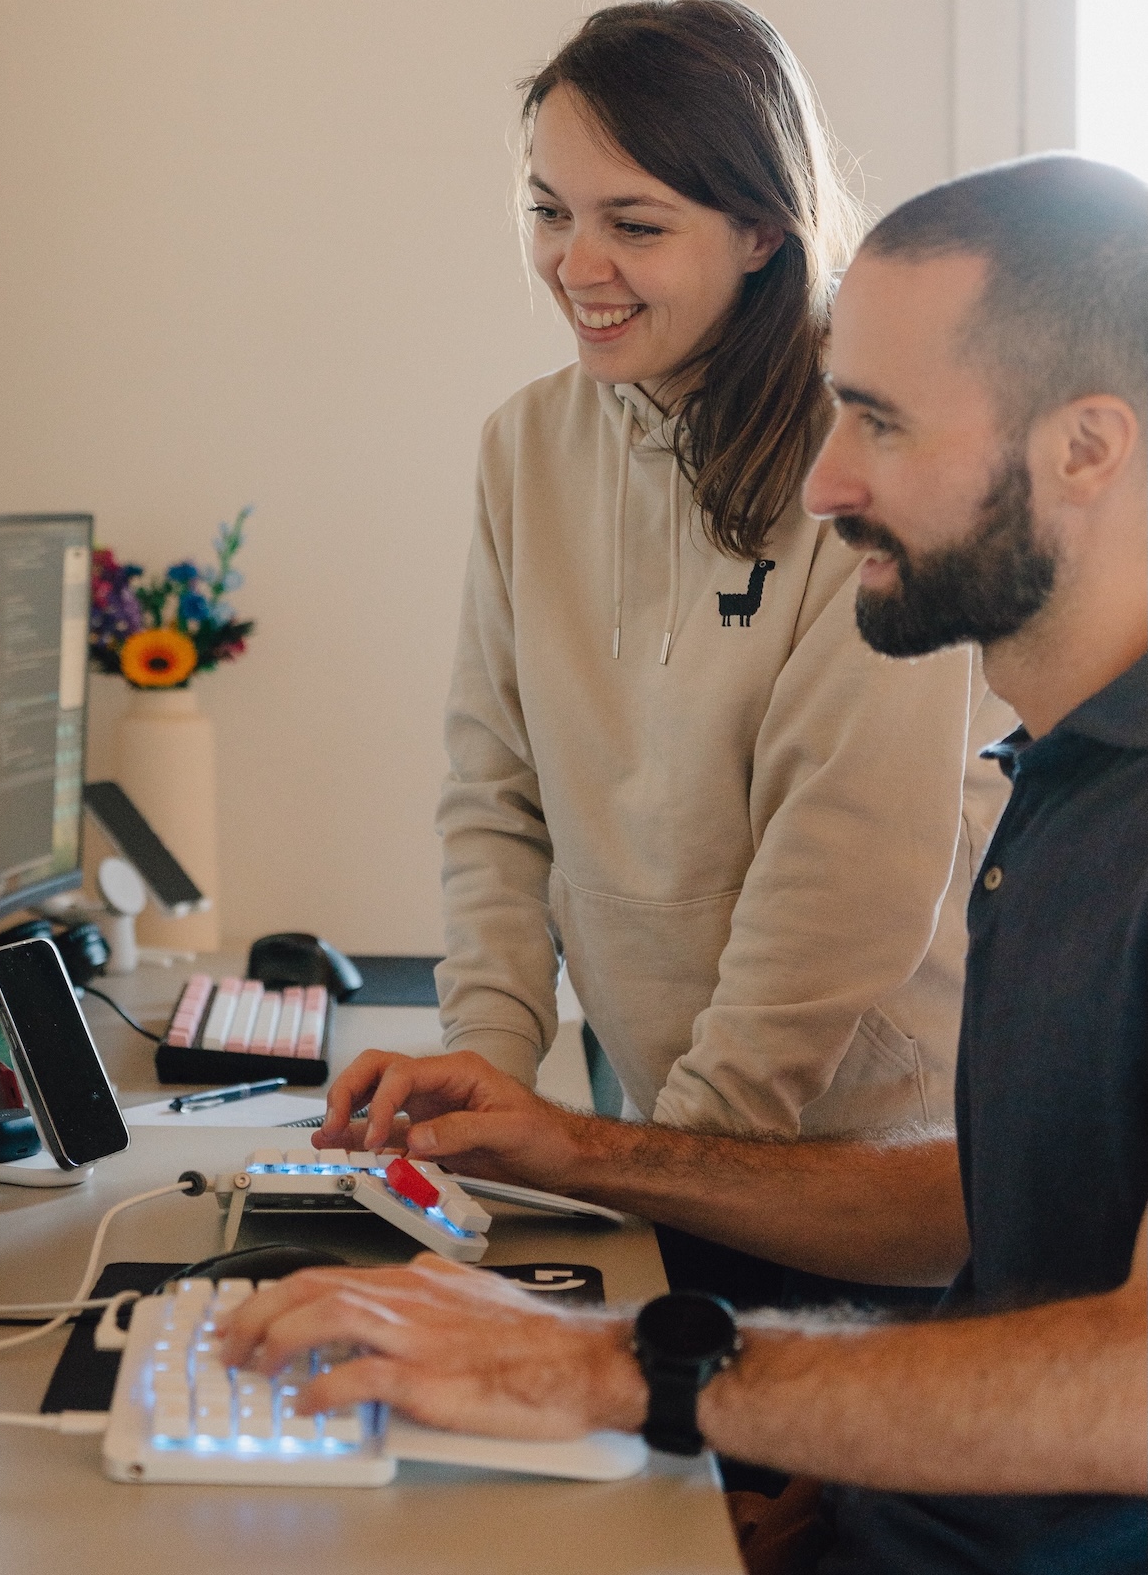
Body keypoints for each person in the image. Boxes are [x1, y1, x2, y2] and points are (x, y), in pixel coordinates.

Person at [222, 153, 1148, 1573]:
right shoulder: (1066, 779)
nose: (828, 484)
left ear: (1086, 447)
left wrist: (614, 1368)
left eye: (883, 426)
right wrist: (575, 1151)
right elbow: (999, 1204)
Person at [437, 0, 1007, 1308]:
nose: (577, 263)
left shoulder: (865, 457)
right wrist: (489, 1087)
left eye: (634, 224)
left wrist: (651, 1161)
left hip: (868, 1181)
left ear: (763, 230)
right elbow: (493, 793)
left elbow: (849, 866)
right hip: (667, 1151)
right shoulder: (526, 447)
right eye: (548, 210)